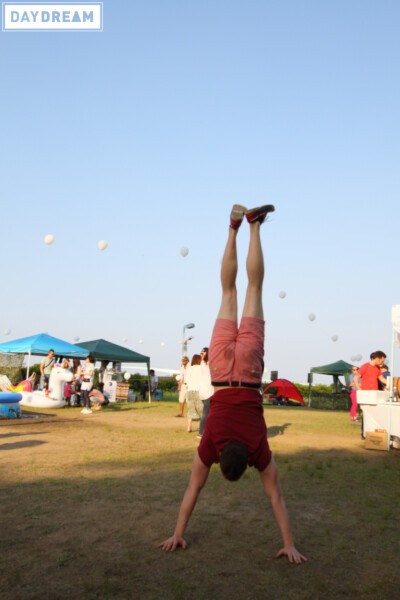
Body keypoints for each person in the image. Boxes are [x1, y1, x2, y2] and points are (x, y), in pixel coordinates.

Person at [160, 204, 306, 564]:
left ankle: (254, 227)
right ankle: (233, 228)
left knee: (254, 288)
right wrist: (177, 531)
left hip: (250, 372)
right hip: (223, 369)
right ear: (220, 457)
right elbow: (193, 488)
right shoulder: (210, 442)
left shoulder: (258, 447)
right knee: (227, 292)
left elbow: (277, 497)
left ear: (247, 463)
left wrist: (289, 543)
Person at [197, 347, 214, 439]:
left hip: (203, 391)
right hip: (208, 391)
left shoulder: (203, 363)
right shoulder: (206, 363)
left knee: (208, 412)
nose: (201, 354)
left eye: (202, 353)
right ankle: (201, 432)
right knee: (206, 413)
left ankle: (207, 430)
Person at [186, 354, 203, 433]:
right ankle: (201, 427)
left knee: (190, 409)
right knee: (201, 410)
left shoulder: (189, 369)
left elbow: (186, 381)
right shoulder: (202, 369)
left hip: (190, 391)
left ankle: (189, 427)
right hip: (199, 390)